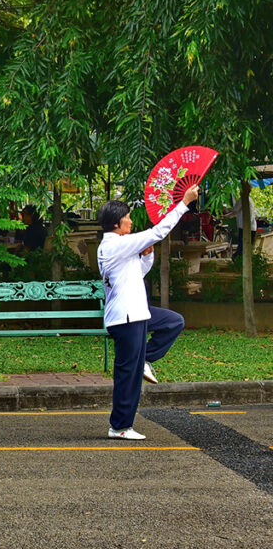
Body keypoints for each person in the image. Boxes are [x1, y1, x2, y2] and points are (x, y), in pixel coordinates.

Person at [96, 185, 197, 440]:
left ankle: (144, 358)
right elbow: (158, 231)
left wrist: (147, 256)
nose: (130, 221)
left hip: (136, 311)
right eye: (127, 217)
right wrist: (184, 203)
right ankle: (120, 427)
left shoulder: (120, 245)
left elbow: (137, 273)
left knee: (173, 322)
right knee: (128, 375)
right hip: (126, 316)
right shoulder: (114, 245)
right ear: (117, 223)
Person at [231, 194, 257, 258]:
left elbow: (235, 210)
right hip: (252, 227)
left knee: (241, 248)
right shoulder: (250, 199)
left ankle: (237, 261)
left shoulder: (242, 199)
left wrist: (226, 211)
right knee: (248, 248)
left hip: (244, 226)